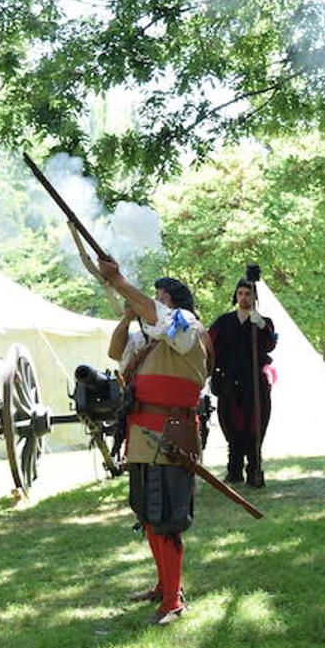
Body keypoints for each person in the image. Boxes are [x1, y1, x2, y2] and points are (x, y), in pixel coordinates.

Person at [102, 259, 207, 626]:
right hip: (141, 433)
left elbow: (160, 318)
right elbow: (116, 352)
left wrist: (118, 281)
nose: (152, 303)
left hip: (172, 432)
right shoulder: (144, 336)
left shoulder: (186, 325)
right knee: (148, 513)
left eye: (160, 298)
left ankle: (173, 601)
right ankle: (164, 586)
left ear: (174, 304)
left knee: (168, 518)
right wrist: (127, 315)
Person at [208, 278, 278, 486]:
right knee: (232, 424)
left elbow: (269, 345)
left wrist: (262, 326)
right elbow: (209, 344)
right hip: (230, 381)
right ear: (236, 295)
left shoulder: (262, 321)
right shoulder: (224, 321)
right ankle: (234, 469)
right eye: (240, 293)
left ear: (254, 296)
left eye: (248, 294)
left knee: (254, 424)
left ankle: (254, 468)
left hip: (254, 382)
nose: (244, 297)